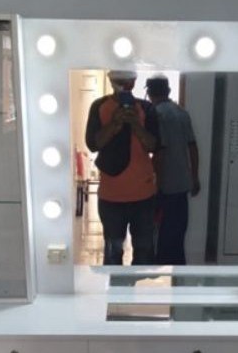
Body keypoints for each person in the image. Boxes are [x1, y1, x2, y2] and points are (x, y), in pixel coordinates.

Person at [85, 70, 160, 265]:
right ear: (110, 80)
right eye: (118, 80)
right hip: (111, 195)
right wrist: (114, 123)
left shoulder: (146, 108)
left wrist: (135, 124)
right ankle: (116, 287)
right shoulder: (99, 106)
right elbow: (93, 144)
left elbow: (153, 146)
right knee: (113, 254)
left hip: (143, 194)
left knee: (144, 254)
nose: (122, 84)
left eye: (126, 80)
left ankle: (136, 286)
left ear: (133, 82)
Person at [145, 75, 200, 265]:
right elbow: (192, 147)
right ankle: (178, 273)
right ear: (168, 91)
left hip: (164, 185)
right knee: (178, 234)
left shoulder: (156, 114)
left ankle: (163, 271)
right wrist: (194, 177)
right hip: (182, 183)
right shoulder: (181, 113)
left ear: (149, 93)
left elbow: (159, 153)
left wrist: (155, 185)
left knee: (162, 236)